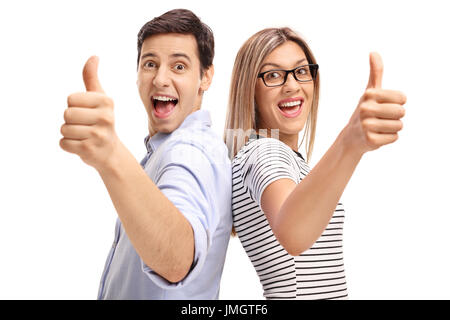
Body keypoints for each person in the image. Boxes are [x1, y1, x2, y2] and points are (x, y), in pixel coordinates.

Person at [60, 9, 232, 299]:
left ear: (206, 77)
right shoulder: (161, 151)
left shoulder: (193, 150)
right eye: (150, 64)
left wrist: (111, 155)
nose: (161, 79)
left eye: (179, 67)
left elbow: (177, 259)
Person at [225, 27, 406, 299]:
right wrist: (349, 143)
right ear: (249, 89)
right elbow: (294, 232)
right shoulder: (263, 152)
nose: (292, 86)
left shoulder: (285, 160)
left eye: (301, 71)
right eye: (273, 75)